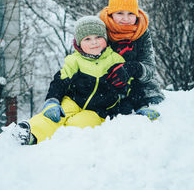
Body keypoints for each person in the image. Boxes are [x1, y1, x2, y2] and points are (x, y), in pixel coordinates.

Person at [13, 16, 132, 145]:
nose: (94, 42)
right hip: (73, 101)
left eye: (98, 37)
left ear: (106, 39)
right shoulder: (75, 60)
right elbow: (60, 81)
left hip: (97, 111)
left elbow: (127, 87)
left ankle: (63, 141)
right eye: (87, 39)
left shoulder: (115, 60)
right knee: (55, 116)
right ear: (79, 43)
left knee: (80, 123)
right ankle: (31, 133)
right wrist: (53, 101)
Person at [100, 0, 164, 119]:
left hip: (138, 81)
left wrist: (134, 67)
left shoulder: (142, 32)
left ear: (137, 14)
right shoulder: (101, 30)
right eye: (120, 13)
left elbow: (150, 67)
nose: (125, 18)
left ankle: (142, 107)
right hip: (109, 80)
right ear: (111, 14)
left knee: (152, 100)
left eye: (130, 14)